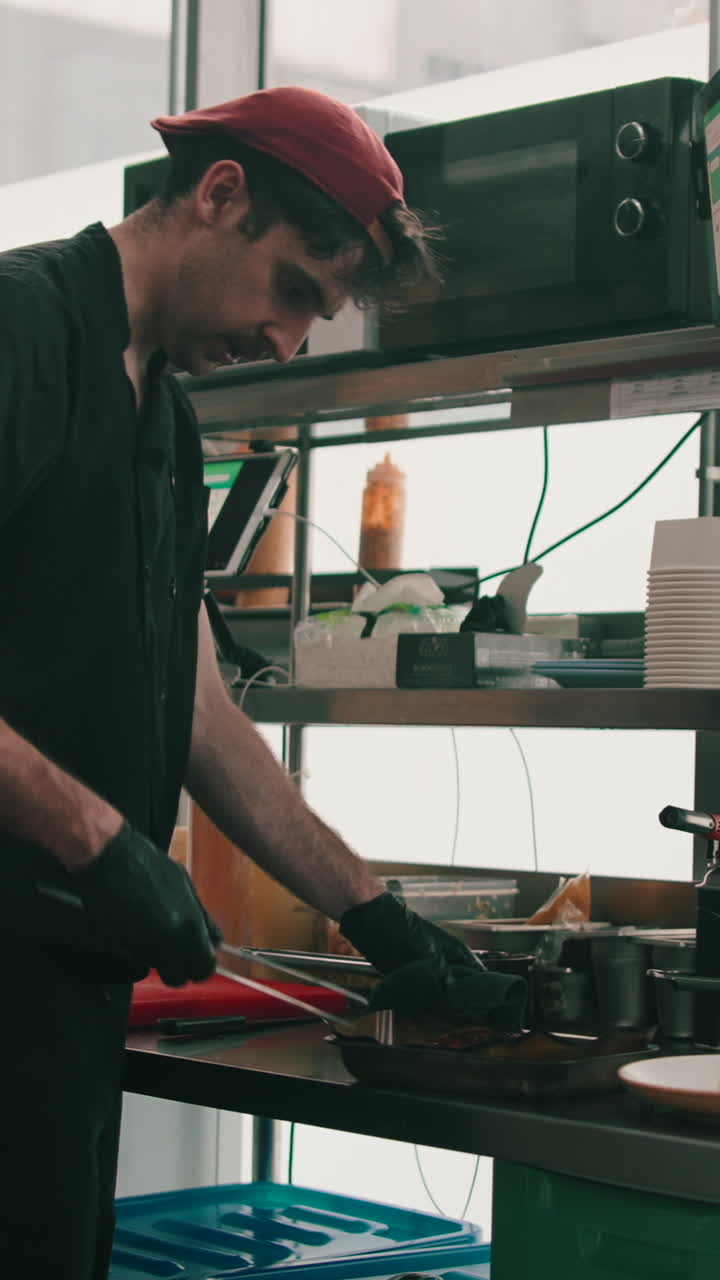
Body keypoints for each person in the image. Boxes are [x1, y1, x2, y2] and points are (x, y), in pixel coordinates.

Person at [0, 86, 521, 1280]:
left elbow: (197, 710)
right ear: (219, 194)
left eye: (315, 317)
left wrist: (375, 913)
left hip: (58, 993)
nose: (287, 341)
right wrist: (100, 842)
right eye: (292, 288)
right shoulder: (22, 329)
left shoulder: (168, 425)